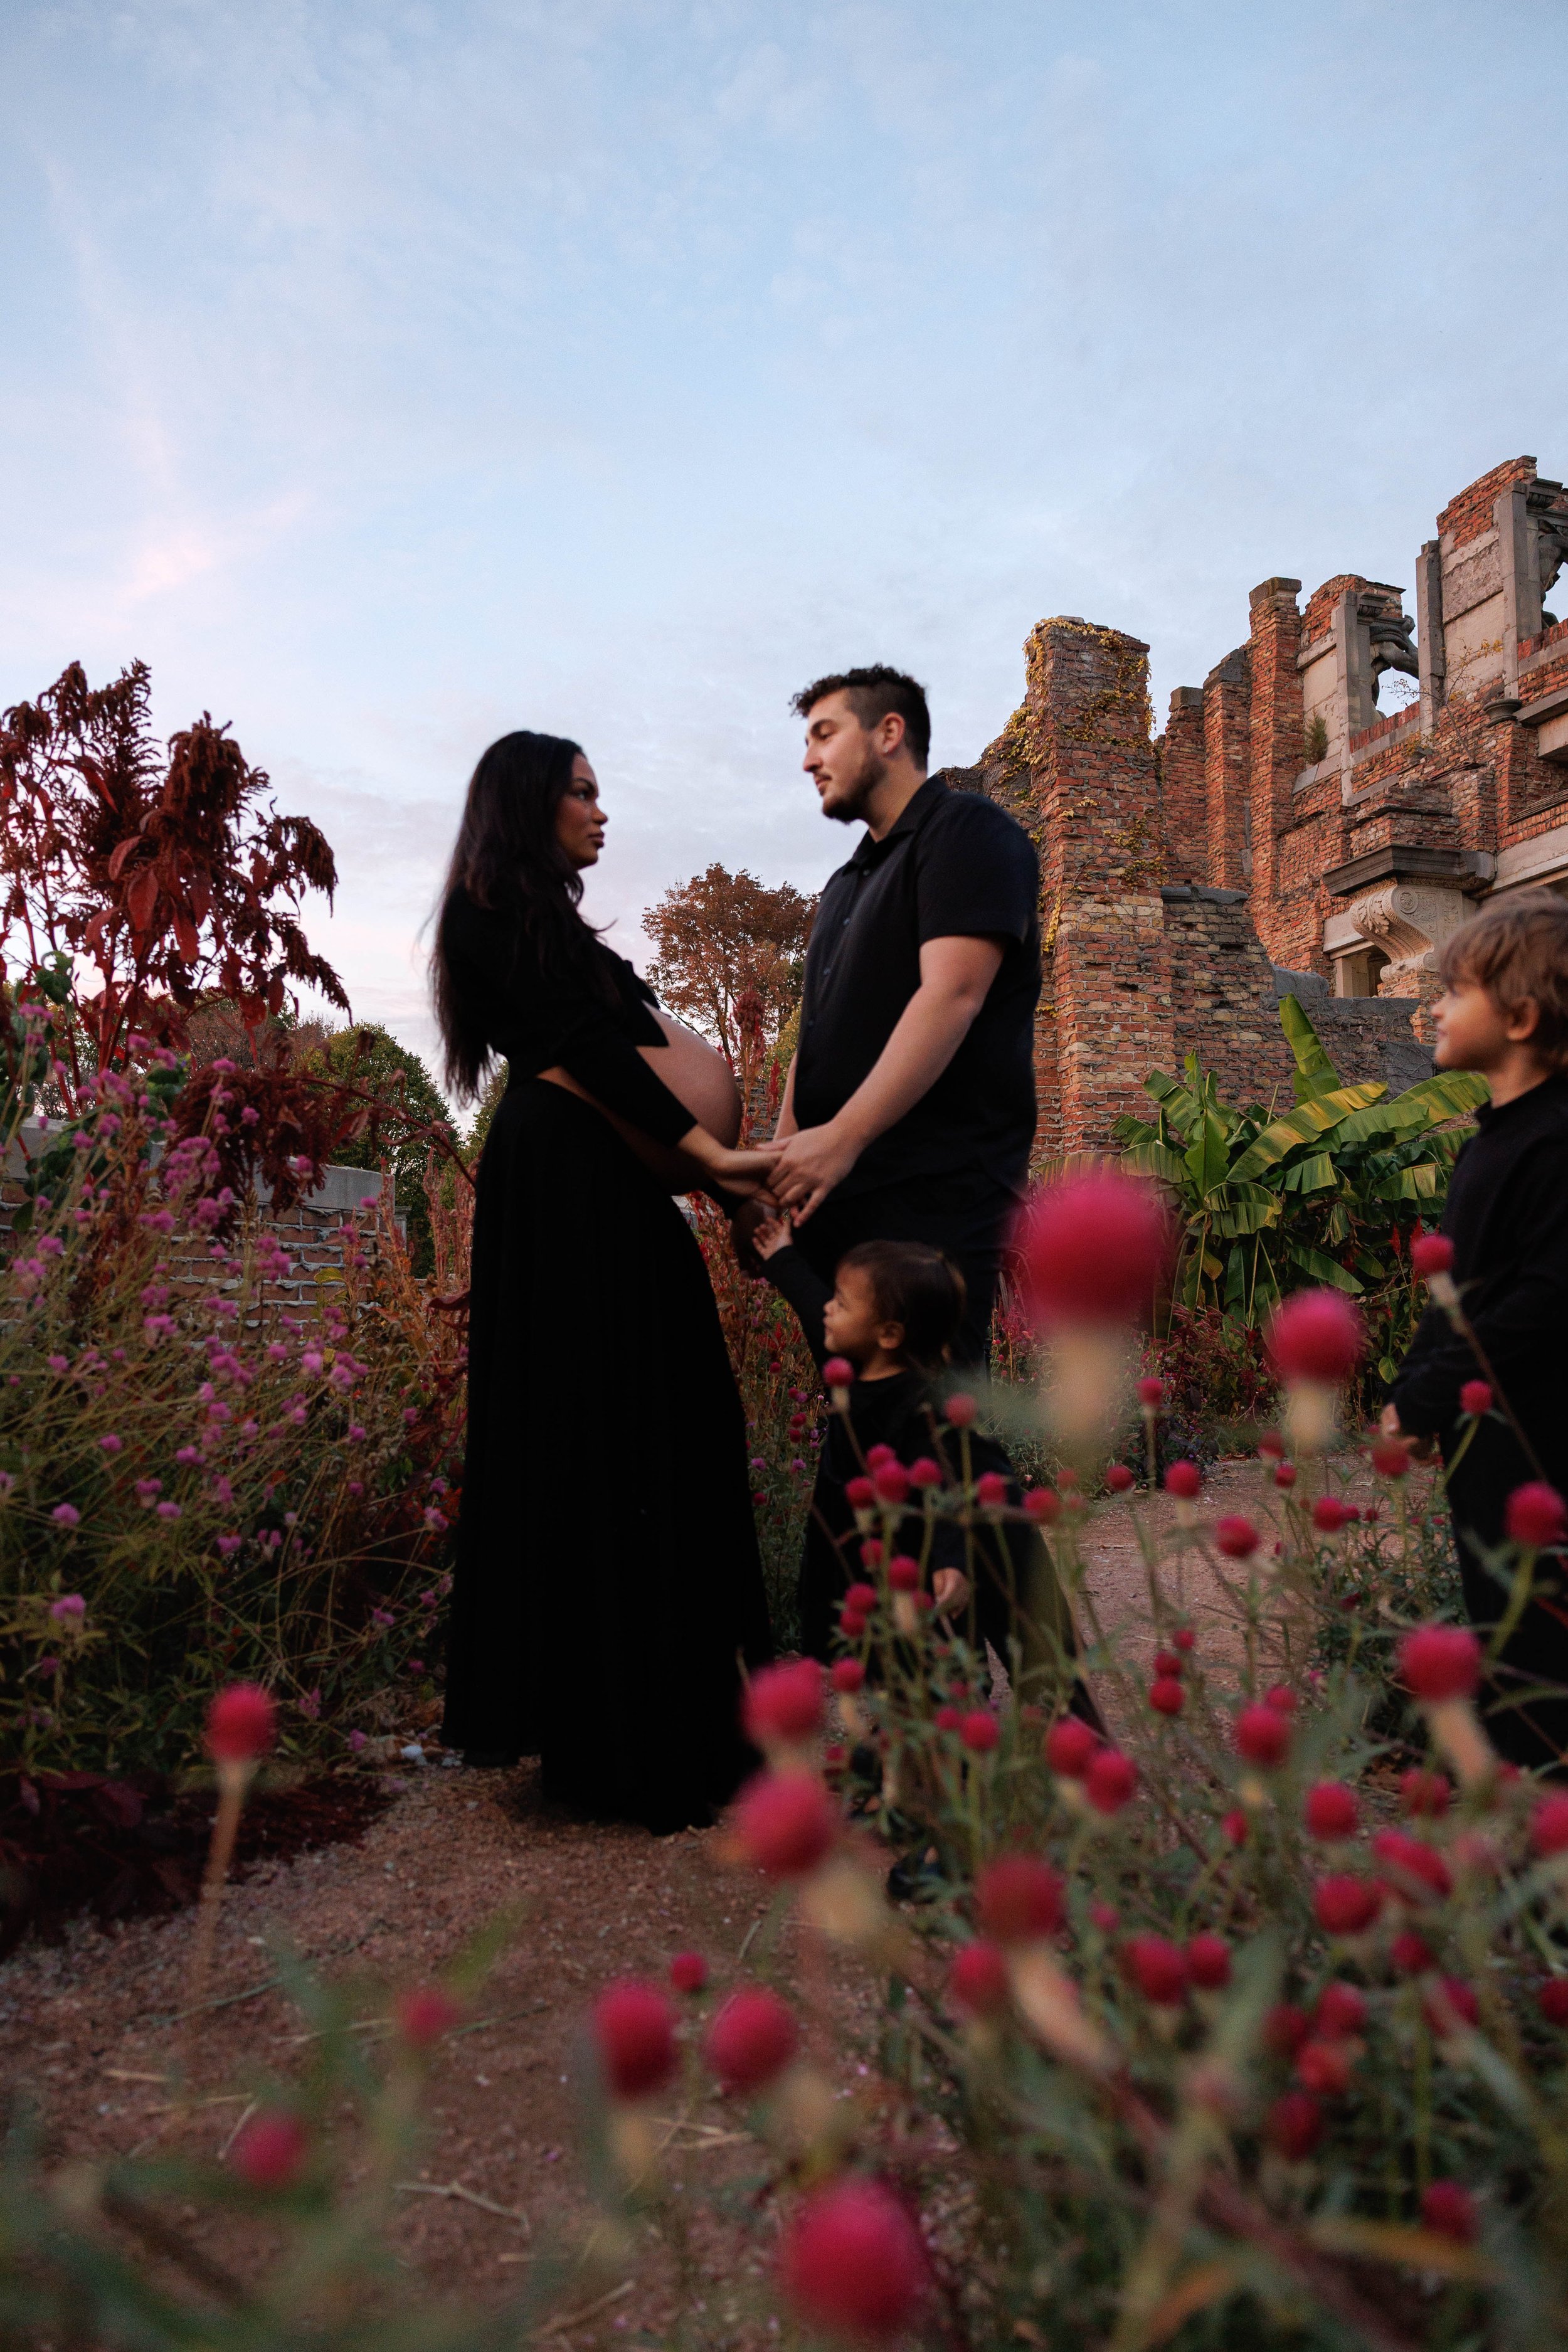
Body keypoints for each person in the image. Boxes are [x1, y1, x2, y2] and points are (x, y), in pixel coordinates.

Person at [433, 730, 777, 1832]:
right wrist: (717, 1158)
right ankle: (630, 1748)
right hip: (572, 1185)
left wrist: (730, 1190)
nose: (600, 809)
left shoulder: (545, 924)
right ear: (528, 803)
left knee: (663, 1424)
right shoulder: (490, 915)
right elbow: (591, 1052)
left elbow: (616, 1043)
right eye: (581, 792)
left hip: (597, 1181)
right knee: (612, 1433)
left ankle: (668, 1724)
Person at [742, 666, 1042, 1368]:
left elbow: (954, 995)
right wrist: (784, 1156)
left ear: (888, 733)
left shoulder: (969, 832)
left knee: (932, 1435)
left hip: (931, 1203)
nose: (808, 759)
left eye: (823, 734)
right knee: (856, 1428)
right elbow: (815, 1031)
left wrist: (841, 1139)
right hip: (841, 1200)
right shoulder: (846, 883)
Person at [1383, 892, 1568, 1771]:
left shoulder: (1555, 1141)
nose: (1433, 1006)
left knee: (1543, 1654)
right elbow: (1456, 1294)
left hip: (1540, 1443)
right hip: (1485, 1444)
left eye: (1455, 991)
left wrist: (1426, 1392)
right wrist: (1416, 1397)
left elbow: (1539, 1300)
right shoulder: (1489, 1141)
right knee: (1502, 1623)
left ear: (1522, 1016)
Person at [750, 1215, 1078, 1690]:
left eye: (841, 1304)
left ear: (888, 1334)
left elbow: (945, 1489)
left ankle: (950, 1732)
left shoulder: (924, 1407)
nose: (828, 1310)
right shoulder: (855, 1370)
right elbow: (810, 1303)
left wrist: (950, 1560)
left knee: (925, 1663)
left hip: (913, 1563)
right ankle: (898, 1743)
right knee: (877, 1661)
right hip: (862, 1552)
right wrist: (780, 1256)